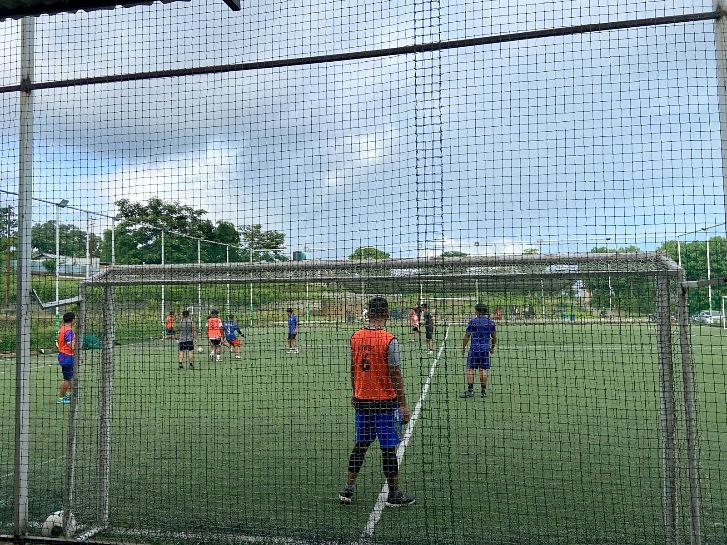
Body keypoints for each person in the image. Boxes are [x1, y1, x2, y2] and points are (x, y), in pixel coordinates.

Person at [339, 296, 415, 507]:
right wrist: (403, 404)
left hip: (362, 401)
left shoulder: (355, 337)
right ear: (387, 314)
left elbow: (353, 368)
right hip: (384, 403)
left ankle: (347, 490)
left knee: (360, 446)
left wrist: (355, 392)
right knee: (388, 449)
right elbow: (395, 374)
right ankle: (394, 494)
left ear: (369, 313)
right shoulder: (390, 340)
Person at [460, 304, 497, 398]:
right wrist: (492, 348)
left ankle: (470, 391)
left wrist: (463, 347)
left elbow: (467, 336)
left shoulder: (473, 321)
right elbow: (494, 337)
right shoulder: (490, 322)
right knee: (483, 369)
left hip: (474, 349)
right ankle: (483, 392)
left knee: (470, 369)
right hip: (485, 349)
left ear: (477, 311)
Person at [56, 312, 76, 405]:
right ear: (73, 320)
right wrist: (78, 354)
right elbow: (71, 345)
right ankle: (61, 398)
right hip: (67, 356)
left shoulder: (62, 329)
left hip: (63, 356)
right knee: (67, 379)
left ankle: (68, 395)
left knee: (70, 377)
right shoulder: (68, 331)